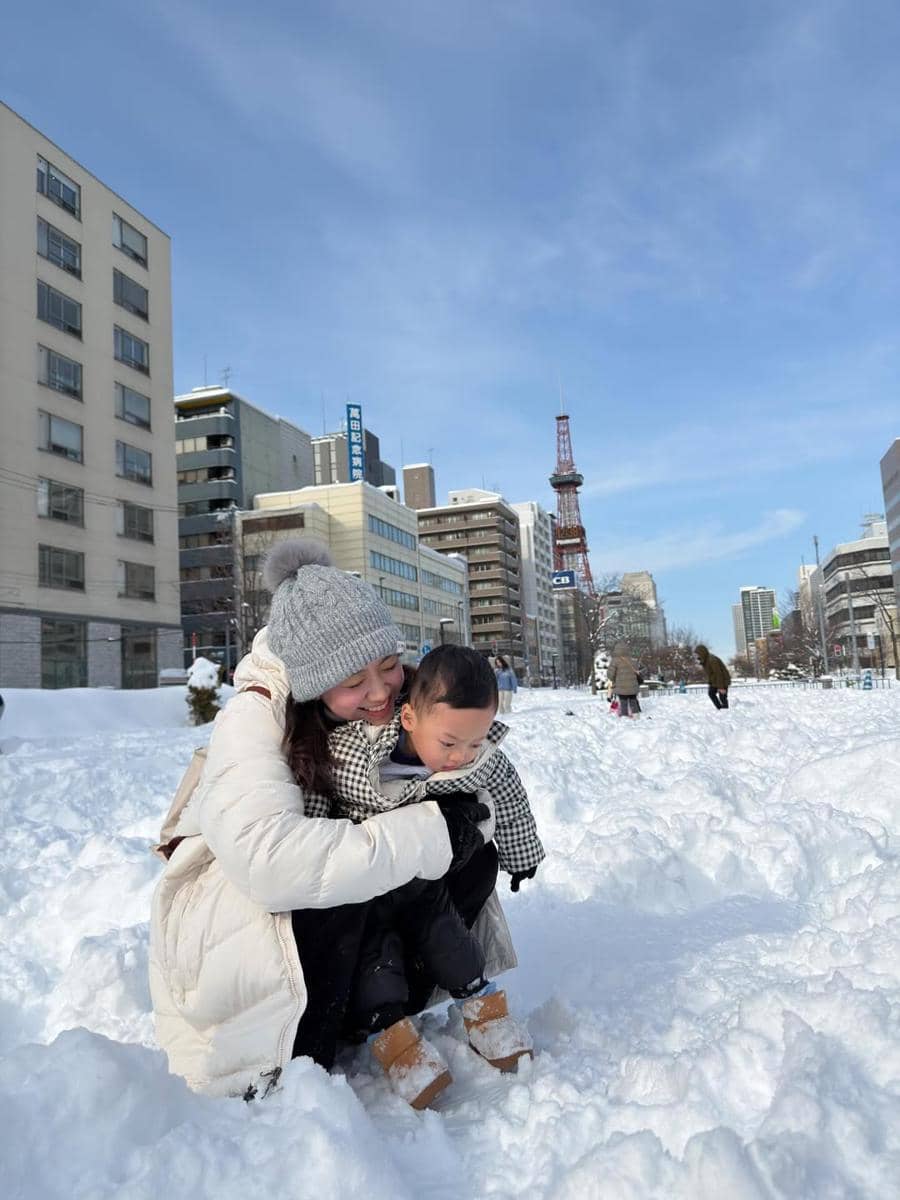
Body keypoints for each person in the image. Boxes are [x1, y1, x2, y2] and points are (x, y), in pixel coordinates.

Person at [149, 539, 515, 1101]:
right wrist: (432, 832)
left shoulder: (403, 697)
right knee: (342, 883)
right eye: (353, 682)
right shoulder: (257, 710)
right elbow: (275, 864)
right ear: (315, 680)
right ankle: (319, 1036)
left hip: (339, 885)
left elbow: (475, 776)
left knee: (467, 856)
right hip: (236, 916)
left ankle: (391, 998)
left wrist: (472, 824)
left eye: (389, 665)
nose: (380, 691)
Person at [321, 643, 544, 1106]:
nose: (461, 757)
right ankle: (396, 1043)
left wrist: (521, 853)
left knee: (446, 930)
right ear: (409, 720)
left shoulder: (474, 758)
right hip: (363, 885)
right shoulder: (358, 754)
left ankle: (482, 1007)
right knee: (375, 957)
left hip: (422, 879)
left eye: (475, 742)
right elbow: (316, 798)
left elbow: (510, 792)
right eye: (449, 743)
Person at [606, 642, 642, 717]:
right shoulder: (633, 660)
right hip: (633, 686)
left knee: (623, 701)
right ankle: (636, 715)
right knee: (633, 699)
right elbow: (637, 672)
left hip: (621, 686)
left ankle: (624, 716)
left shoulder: (615, 661)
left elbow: (610, 675)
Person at [697, 644, 731, 709]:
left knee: (722, 697)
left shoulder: (712, 660)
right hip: (715, 681)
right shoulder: (705, 660)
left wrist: (721, 687)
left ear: (702, 652)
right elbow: (711, 673)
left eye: (698, 653)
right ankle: (720, 709)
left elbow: (719, 673)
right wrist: (710, 682)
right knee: (711, 693)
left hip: (723, 680)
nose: (697, 656)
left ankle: (726, 711)